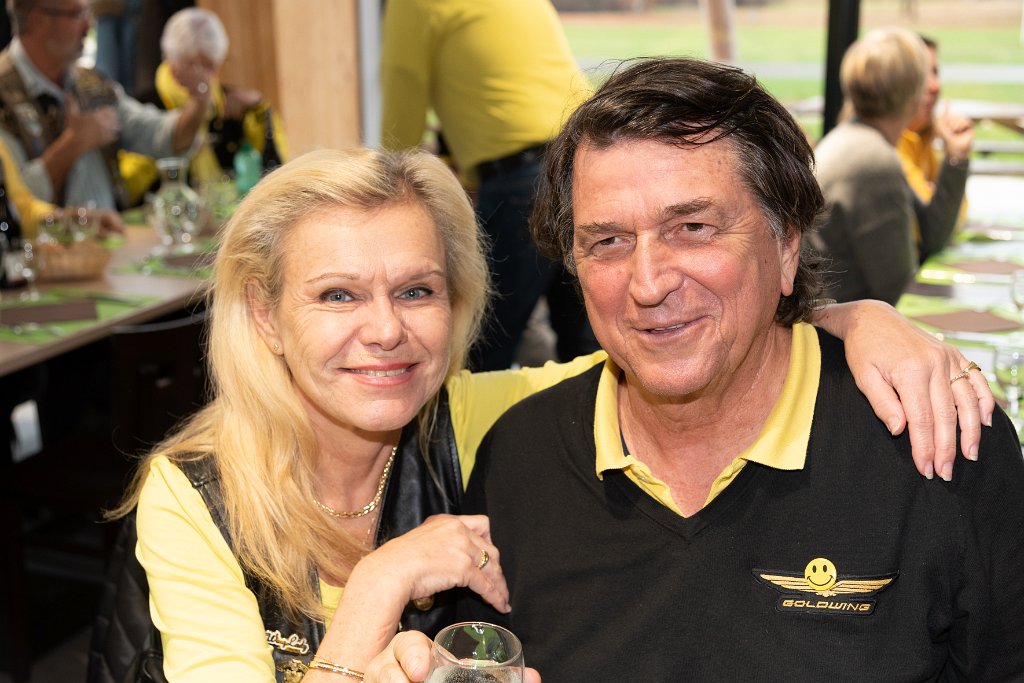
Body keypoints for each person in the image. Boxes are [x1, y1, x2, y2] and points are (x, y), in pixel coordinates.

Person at [107, 146, 993, 683]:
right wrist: (379, 583)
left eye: (416, 291)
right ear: (264, 314)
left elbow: (676, 337)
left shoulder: (478, 416)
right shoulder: (196, 494)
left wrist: (853, 319)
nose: (385, 331)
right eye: (337, 294)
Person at [367, 56, 1022, 681]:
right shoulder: (521, 459)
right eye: (608, 241)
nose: (649, 283)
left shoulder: (936, 442)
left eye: (693, 228)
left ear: (786, 245)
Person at [380, 0, 598, 370]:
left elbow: (405, 88)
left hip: (523, 178)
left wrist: (390, 189)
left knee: (481, 345)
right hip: (586, 156)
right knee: (587, 345)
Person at [809, 28, 969, 306]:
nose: (933, 87)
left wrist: (956, 158)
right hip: (838, 328)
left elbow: (932, 237)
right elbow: (900, 291)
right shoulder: (873, 160)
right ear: (914, 91)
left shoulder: (859, 140)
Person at [0, 0, 207, 210]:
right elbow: (10, 204)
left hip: (115, 230)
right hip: (49, 233)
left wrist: (199, 101)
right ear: (38, 20)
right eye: (78, 14)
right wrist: (73, 145)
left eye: (88, 13)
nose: (89, 25)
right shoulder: (3, 94)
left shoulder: (90, 83)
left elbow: (165, 138)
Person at [118, 6, 288, 205]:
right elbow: (127, 189)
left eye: (210, 66)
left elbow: (276, 167)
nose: (203, 75)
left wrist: (259, 108)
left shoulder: (229, 102)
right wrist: (170, 141)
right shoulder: (146, 107)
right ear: (172, 61)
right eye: (192, 65)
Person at [896, 34, 972, 235]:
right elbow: (936, 227)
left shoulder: (922, 136)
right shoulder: (890, 145)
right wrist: (956, 156)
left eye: (936, 73)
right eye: (923, 75)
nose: (935, 86)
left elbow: (957, 214)